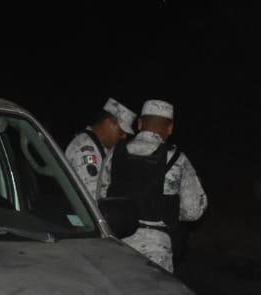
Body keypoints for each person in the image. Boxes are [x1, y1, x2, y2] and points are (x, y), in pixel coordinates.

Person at [110, 99, 207, 271]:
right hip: (156, 253)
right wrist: (167, 209)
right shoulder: (178, 160)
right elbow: (193, 212)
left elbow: (101, 196)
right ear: (170, 128)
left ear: (140, 123)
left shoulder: (115, 153)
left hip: (117, 244)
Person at [63, 98, 136, 201]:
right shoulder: (87, 149)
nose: (124, 137)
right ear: (109, 123)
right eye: (121, 131)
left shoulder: (97, 145)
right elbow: (92, 199)